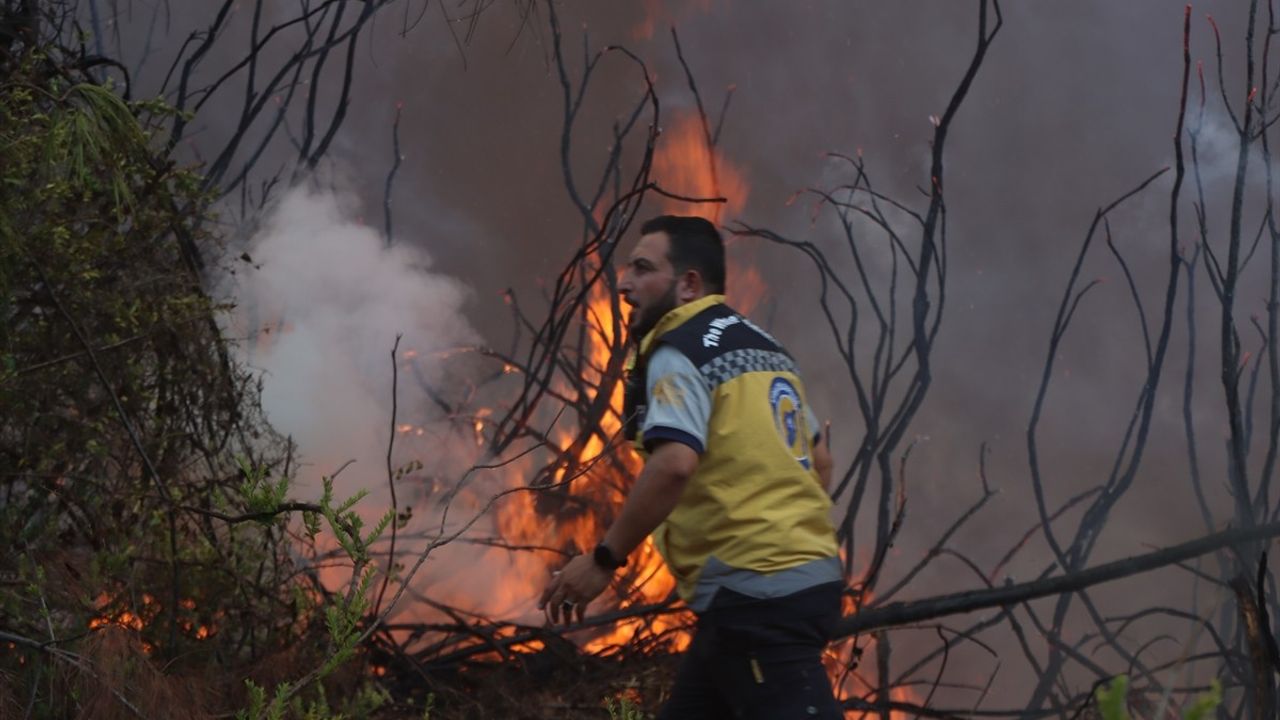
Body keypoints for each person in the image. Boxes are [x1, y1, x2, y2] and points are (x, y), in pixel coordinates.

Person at [538, 215, 845, 719]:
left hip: (757, 599)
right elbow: (822, 460)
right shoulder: (764, 348)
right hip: (789, 585)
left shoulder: (677, 349)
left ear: (689, 285)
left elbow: (675, 464)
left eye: (642, 268)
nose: (624, 282)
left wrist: (603, 560)